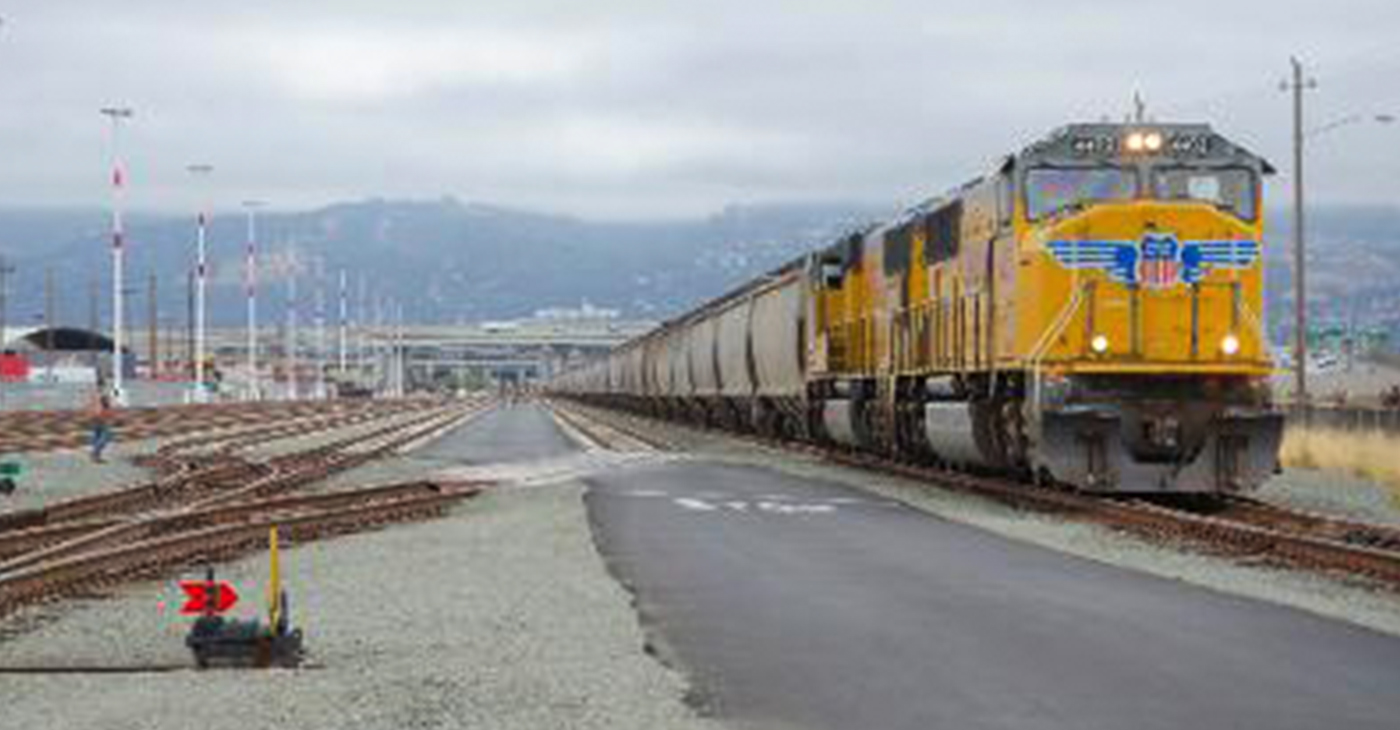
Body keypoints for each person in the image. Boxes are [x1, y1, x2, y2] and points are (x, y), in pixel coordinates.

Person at [88, 382, 114, 463]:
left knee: (97, 435)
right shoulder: (103, 395)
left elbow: (91, 405)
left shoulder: (93, 395)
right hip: (102, 416)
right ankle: (95, 453)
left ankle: (96, 455)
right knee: (106, 436)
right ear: (103, 386)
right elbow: (107, 405)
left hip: (94, 417)